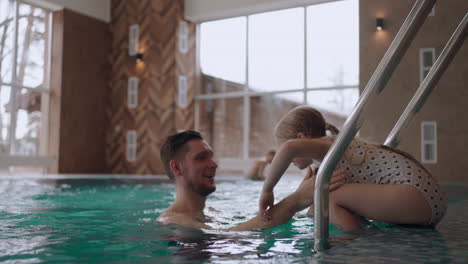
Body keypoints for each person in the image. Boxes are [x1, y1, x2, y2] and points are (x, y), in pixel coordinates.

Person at [259, 106, 447, 231]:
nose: (286, 159)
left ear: (302, 138)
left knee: (327, 196)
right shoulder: (324, 164)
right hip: (426, 202)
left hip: (416, 195)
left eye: (282, 149)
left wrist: (267, 190)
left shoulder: (327, 145)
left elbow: (288, 148)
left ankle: (352, 244)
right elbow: (312, 211)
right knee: (323, 199)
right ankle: (358, 235)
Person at [157, 130, 346, 231]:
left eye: (211, 156)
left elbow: (256, 222)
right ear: (177, 167)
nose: (213, 164)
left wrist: (309, 201)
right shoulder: (173, 221)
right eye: (201, 158)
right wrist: (296, 199)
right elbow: (231, 238)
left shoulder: (213, 212)